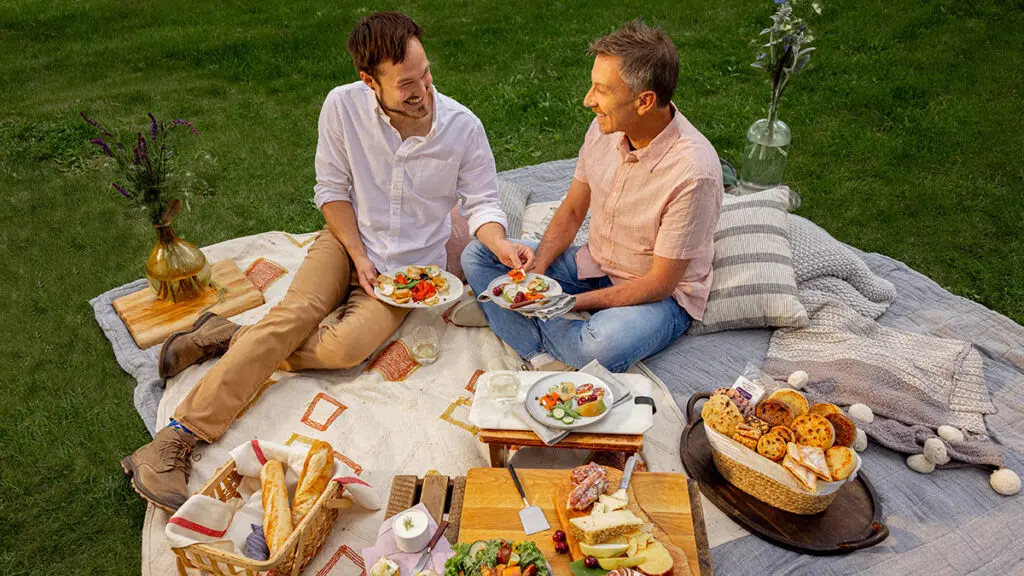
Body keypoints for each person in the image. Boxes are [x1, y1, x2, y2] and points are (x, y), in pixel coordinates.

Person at [121, 11, 530, 511]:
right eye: (406, 83)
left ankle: (226, 336)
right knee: (293, 317)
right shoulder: (342, 107)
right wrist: (357, 254)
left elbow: (483, 202)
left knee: (344, 350)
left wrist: (501, 244)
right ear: (368, 81)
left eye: (425, 74)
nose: (423, 89)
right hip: (345, 241)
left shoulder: (462, 127)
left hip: (407, 274)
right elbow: (332, 190)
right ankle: (174, 440)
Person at [462, 20, 723, 373]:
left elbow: (660, 283)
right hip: (595, 262)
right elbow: (571, 211)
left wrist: (564, 302)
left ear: (644, 101)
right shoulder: (605, 129)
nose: (588, 100)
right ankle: (540, 351)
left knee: (599, 347)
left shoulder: (694, 173)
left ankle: (514, 323)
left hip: (658, 295)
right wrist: (536, 271)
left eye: (601, 90)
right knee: (480, 253)